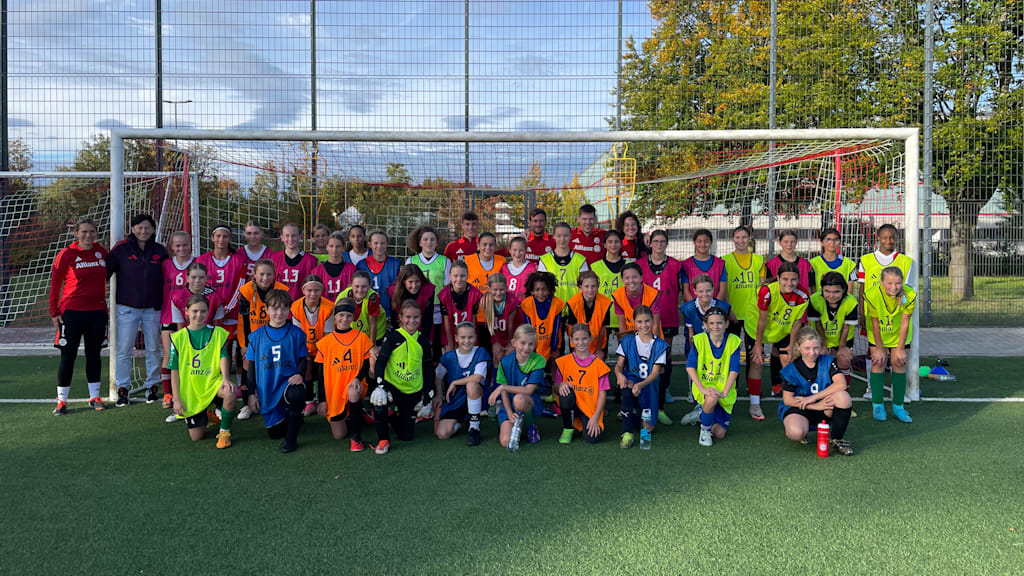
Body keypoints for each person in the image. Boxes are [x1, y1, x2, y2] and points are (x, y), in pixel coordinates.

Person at [49, 218, 109, 415]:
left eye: (92, 231)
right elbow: (55, 284)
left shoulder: (102, 252)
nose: (88, 235)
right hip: (71, 313)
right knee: (68, 356)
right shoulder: (66, 254)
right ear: (76, 233)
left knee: (94, 355)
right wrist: (54, 312)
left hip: (97, 313)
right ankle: (61, 401)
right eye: (84, 232)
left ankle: (94, 397)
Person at [107, 213, 167, 406]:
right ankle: (123, 388)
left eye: (147, 228)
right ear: (132, 229)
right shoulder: (121, 249)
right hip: (127, 308)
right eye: (140, 227)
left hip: (153, 308)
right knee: (124, 350)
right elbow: (104, 273)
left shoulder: (160, 251)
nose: (143, 231)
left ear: (152, 229)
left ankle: (152, 386)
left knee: (153, 348)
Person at [370, 299, 439, 454]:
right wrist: (380, 385)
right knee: (379, 401)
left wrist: (428, 394)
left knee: (407, 436)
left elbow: (428, 369)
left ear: (420, 318)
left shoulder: (423, 342)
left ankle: (392, 416)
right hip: (392, 387)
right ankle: (383, 440)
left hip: (412, 390)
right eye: (408, 317)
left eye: (415, 317)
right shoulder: (393, 337)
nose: (411, 321)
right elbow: (381, 362)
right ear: (400, 317)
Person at [169, 294, 237, 449]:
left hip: (212, 383)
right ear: (186, 311)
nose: (198, 315)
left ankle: (225, 432)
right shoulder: (177, 337)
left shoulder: (217, 333)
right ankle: (207, 415)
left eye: (203, 311)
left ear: (208, 313)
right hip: (191, 390)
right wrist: (177, 399)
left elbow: (224, 356)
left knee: (229, 391)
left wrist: (225, 378)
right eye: (194, 311)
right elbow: (174, 371)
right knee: (196, 437)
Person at [745, 261, 810, 420]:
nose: (790, 283)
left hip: (781, 329)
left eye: (793, 279)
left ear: (798, 279)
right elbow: (762, 320)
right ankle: (754, 404)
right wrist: (758, 345)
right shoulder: (767, 291)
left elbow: (796, 322)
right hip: (756, 327)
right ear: (778, 278)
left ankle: (792, 400)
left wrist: (791, 345)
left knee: (788, 360)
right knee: (757, 360)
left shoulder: (802, 295)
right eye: (785, 279)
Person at [246, 289, 309, 453]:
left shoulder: (297, 334)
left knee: (296, 394)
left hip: (289, 382)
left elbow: (303, 358)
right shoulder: (256, 336)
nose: (279, 313)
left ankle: (291, 439)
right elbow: (251, 367)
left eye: (284, 308)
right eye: (274, 308)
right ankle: (292, 416)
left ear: (289, 310)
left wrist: (300, 374)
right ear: (266, 309)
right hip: (268, 387)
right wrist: (251, 394)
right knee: (275, 433)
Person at [779, 327, 854, 455]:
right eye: (807, 348)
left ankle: (837, 439)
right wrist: (815, 405)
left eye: (816, 348)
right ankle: (804, 430)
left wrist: (813, 398)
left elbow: (841, 384)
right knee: (796, 432)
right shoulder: (790, 370)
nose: (812, 352)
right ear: (798, 346)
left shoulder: (828, 361)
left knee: (843, 397)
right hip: (800, 408)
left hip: (824, 406)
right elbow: (788, 400)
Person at [315, 298, 375, 451]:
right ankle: (358, 415)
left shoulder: (361, 337)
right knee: (339, 435)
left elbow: (366, 363)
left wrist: (357, 378)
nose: (344, 319)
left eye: (349, 315)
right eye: (341, 315)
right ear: (335, 317)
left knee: (353, 392)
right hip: (334, 389)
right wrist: (321, 399)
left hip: (354, 383)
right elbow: (320, 375)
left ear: (353, 317)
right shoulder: (325, 342)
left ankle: (356, 437)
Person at [639, 229, 682, 424]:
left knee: (665, 355)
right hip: (645, 319)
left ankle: (664, 389)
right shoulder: (640, 263)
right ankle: (643, 394)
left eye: (662, 241)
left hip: (668, 316)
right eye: (655, 241)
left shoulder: (675, 265)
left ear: (666, 243)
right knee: (644, 355)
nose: (658, 244)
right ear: (650, 243)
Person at [237, 259, 289, 418]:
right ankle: (247, 403)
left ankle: (279, 400)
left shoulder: (282, 289)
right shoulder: (246, 291)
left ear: (274, 275)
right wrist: (245, 345)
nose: (265, 278)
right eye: (261, 274)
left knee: (276, 366)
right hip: (253, 337)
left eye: (269, 274)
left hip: (274, 336)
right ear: (254, 275)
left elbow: (286, 318)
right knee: (248, 366)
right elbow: (243, 321)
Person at [197, 225, 247, 391]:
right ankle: (215, 381)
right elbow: (199, 285)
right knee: (217, 347)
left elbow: (241, 285)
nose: (221, 240)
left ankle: (240, 384)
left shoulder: (238, 260)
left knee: (238, 347)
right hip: (209, 312)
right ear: (212, 238)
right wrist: (214, 304)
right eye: (218, 236)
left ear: (229, 239)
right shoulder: (201, 260)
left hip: (233, 311)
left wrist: (228, 307)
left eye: (225, 236)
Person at [864, 266, 916, 423]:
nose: (894, 287)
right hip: (878, 333)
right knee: (878, 362)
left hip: (899, 333)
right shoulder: (872, 295)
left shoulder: (909, 294)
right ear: (881, 282)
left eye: (898, 283)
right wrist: (879, 348)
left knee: (898, 363)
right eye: (890, 283)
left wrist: (900, 348)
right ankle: (878, 406)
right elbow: (874, 323)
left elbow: (905, 321)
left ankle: (898, 407)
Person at [686, 306, 741, 447]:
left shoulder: (734, 341)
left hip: (723, 388)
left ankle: (701, 414)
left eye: (719, 323)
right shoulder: (699, 340)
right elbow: (690, 367)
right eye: (711, 323)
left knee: (719, 434)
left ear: (726, 324)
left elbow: (734, 370)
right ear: (705, 325)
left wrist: (725, 392)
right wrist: (702, 389)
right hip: (705, 387)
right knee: (711, 398)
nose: (715, 326)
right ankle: (704, 431)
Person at [615, 305, 668, 450]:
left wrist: (641, 385)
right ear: (634, 322)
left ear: (653, 321)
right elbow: (619, 365)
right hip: (632, 382)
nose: (644, 325)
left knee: (648, 429)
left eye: (647, 321)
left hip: (648, 386)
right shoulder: (627, 341)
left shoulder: (659, 344)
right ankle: (627, 433)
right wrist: (619, 375)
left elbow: (655, 373)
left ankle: (632, 414)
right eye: (639, 321)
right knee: (626, 386)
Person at [489, 325, 547, 448]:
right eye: (523, 343)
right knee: (505, 442)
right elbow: (504, 392)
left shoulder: (539, 360)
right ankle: (518, 423)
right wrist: (510, 413)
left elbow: (528, 390)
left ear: (535, 345)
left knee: (519, 399)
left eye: (530, 344)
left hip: (529, 401)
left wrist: (502, 387)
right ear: (514, 343)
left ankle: (530, 425)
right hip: (509, 403)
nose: (526, 348)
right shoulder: (504, 362)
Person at [436, 322, 492, 446]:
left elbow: (477, 378)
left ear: (475, 337)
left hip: (477, 394)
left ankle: (474, 428)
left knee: (471, 384)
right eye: (463, 337)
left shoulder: (480, 352)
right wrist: (439, 395)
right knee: (442, 434)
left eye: (470, 337)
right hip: (456, 399)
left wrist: (455, 382)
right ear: (456, 338)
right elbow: (438, 375)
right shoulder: (448, 357)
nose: (467, 341)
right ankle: (463, 420)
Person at [554, 324, 611, 444]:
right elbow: (555, 388)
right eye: (577, 339)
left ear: (590, 338)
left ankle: (582, 420)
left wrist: (595, 417)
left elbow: (602, 394)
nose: (581, 342)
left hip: (589, 407)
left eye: (584, 338)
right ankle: (568, 428)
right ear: (571, 340)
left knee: (593, 438)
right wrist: (561, 385)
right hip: (572, 403)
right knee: (565, 393)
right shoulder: (564, 361)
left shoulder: (599, 365)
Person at [291, 274, 335, 417]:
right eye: (309, 290)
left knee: (323, 371)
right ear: (303, 291)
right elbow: (298, 335)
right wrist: (306, 354)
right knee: (307, 369)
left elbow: (328, 336)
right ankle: (309, 400)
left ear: (321, 291)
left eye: (316, 290)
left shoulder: (329, 307)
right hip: (305, 347)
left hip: (323, 346)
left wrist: (321, 354)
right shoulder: (296, 307)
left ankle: (323, 399)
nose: (312, 294)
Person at [159, 231, 193, 408]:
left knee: (188, 355)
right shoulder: (165, 265)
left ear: (191, 244)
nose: (181, 248)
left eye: (185, 245)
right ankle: (168, 394)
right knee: (169, 354)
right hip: (169, 315)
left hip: (192, 317)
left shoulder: (198, 263)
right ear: (172, 247)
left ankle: (187, 389)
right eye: (177, 245)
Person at [406, 224, 450, 353]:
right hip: (417, 307)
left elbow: (447, 286)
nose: (429, 242)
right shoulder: (411, 261)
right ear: (419, 242)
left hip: (437, 308)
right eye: (425, 239)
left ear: (437, 242)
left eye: (432, 239)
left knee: (436, 342)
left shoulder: (445, 261)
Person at [722, 225, 764, 353]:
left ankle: (752, 374)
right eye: (738, 237)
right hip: (733, 312)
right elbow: (723, 289)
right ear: (733, 239)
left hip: (752, 312)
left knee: (752, 349)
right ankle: (733, 374)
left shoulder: (759, 259)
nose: (741, 240)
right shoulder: (725, 260)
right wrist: (729, 309)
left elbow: (762, 287)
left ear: (749, 238)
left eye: (744, 237)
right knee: (731, 349)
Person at [808, 272, 858, 375]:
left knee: (843, 359)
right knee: (818, 360)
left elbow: (846, 327)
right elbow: (818, 324)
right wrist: (824, 345)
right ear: (822, 289)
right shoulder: (814, 300)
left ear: (843, 290)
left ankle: (843, 388)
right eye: (827, 291)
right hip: (821, 337)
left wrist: (841, 348)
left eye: (836, 292)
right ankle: (820, 388)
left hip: (842, 338)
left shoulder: (851, 302)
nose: (831, 296)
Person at [518, 271, 566, 368]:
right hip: (534, 343)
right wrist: (532, 348)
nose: (541, 293)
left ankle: (555, 382)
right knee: (531, 362)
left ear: (550, 290)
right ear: (531, 291)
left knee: (555, 360)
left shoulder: (557, 304)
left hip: (552, 342)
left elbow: (556, 329)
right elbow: (528, 330)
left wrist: (554, 348)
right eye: (537, 289)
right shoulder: (526, 304)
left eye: (544, 289)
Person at [590, 230, 627, 346]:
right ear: (605, 245)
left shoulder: (629, 265)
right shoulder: (595, 266)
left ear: (621, 244)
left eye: (616, 242)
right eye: (610, 242)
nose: (613, 245)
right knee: (600, 351)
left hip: (623, 316)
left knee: (625, 351)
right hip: (602, 315)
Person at [438, 260, 483, 354]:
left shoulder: (475, 294)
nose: (459, 279)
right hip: (451, 332)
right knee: (450, 355)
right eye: (455, 276)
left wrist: (471, 340)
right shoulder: (444, 295)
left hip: (469, 333)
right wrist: (450, 343)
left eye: (462, 276)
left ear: (467, 276)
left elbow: (474, 320)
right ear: (450, 276)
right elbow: (446, 322)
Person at [564, 271, 611, 360]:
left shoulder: (605, 303)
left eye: (593, 286)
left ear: (598, 286)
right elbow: (571, 329)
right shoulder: (573, 303)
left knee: (598, 365)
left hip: (598, 343)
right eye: (586, 286)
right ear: (580, 287)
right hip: (578, 342)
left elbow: (603, 329)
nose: (590, 290)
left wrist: (598, 350)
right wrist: (575, 349)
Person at [539, 222, 589, 305]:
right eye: (559, 236)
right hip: (552, 307)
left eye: (565, 236)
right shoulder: (544, 260)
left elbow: (585, 285)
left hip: (575, 307)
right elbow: (541, 286)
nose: (562, 239)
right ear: (554, 237)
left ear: (570, 236)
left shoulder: (580, 260)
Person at [357, 230, 402, 317]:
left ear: (387, 244)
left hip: (390, 313)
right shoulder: (361, 265)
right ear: (370, 244)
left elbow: (400, 290)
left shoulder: (395, 264)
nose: (379, 246)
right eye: (376, 243)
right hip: (367, 312)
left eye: (382, 243)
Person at [478, 272, 521, 364]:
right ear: (489, 289)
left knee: (508, 358)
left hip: (513, 334)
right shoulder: (485, 301)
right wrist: (495, 342)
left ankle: (509, 377)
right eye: (495, 290)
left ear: (506, 287)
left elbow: (510, 326)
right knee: (498, 356)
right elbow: (490, 325)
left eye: (501, 290)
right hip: (496, 334)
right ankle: (496, 378)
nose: (498, 293)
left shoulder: (512, 301)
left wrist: (510, 343)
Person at [611, 262, 661, 338]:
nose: (631, 281)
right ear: (622, 280)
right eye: (627, 278)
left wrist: (654, 347)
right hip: (630, 337)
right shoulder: (618, 296)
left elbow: (655, 326)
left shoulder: (653, 295)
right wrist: (626, 345)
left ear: (641, 278)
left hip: (651, 336)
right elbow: (622, 327)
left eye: (634, 277)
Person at [270, 223, 319, 299]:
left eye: (294, 235)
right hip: (279, 305)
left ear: (300, 236)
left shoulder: (311, 261)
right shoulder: (274, 258)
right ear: (282, 237)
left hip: (300, 306)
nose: (290, 239)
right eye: (287, 236)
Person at [336, 270, 386, 344]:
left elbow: (373, 323)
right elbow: (336, 320)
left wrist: (372, 345)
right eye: (357, 286)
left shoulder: (372, 298)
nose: (360, 290)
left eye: (364, 287)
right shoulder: (342, 297)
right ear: (351, 285)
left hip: (374, 334)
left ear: (369, 286)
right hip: (353, 333)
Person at [680, 228, 728, 301]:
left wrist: (713, 308)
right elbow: (685, 290)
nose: (703, 244)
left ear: (711, 243)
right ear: (694, 243)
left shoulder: (720, 264)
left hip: (715, 309)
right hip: (693, 310)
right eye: (699, 241)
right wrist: (696, 308)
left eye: (706, 241)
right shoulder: (686, 264)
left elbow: (722, 290)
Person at [765, 229, 815, 294]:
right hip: (780, 302)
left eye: (792, 242)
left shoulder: (805, 264)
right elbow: (768, 288)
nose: (789, 245)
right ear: (780, 242)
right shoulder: (771, 264)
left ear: (796, 242)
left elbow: (812, 287)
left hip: (801, 302)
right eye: (785, 242)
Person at [809, 227, 857, 293]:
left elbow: (850, 291)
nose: (832, 242)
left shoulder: (849, 264)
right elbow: (812, 289)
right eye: (828, 239)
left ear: (840, 242)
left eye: (835, 239)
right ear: (822, 242)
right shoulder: (812, 263)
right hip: (820, 302)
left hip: (842, 302)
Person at [389, 265, 435, 330]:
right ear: (403, 281)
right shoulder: (393, 292)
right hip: (401, 328)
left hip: (422, 329)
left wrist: (423, 339)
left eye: (417, 281)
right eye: (410, 282)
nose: (414, 286)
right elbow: (394, 317)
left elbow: (428, 318)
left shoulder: (428, 291)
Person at [312, 231, 355, 302]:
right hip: (323, 310)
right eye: (331, 246)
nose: (334, 249)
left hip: (344, 310)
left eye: (338, 246)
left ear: (343, 248)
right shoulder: (317, 271)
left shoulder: (352, 270)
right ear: (327, 247)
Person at [499, 236, 537, 301]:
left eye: (521, 250)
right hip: (508, 307)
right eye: (514, 250)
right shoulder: (503, 268)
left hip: (525, 306)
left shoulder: (532, 268)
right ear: (509, 250)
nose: (517, 253)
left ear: (525, 250)